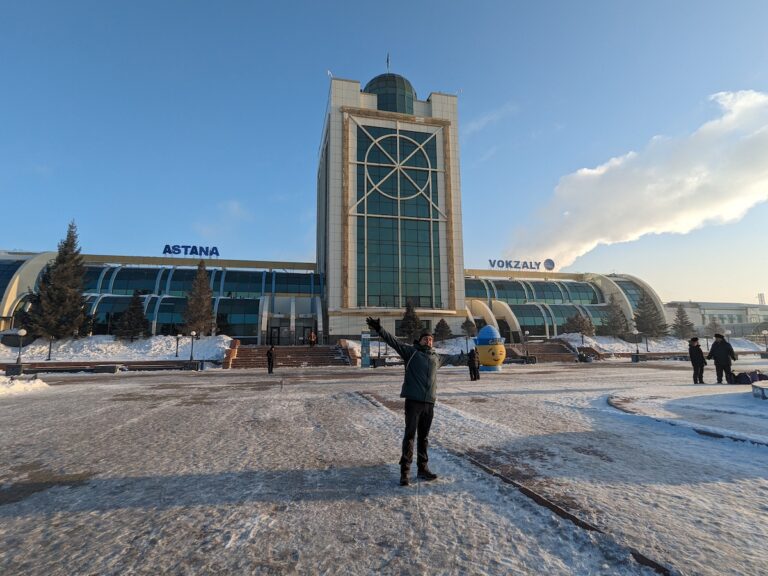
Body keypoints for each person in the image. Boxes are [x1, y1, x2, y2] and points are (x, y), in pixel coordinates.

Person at [366, 317, 464, 486]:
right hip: (413, 402)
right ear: (419, 341)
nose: (429, 340)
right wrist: (379, 329)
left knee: (424, 438)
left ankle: (422, 469)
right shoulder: (411, 352)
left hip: (429, 403)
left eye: (431, 338)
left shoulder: (436, 357)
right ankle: (405, 472)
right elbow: (394, 342)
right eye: (426, 338)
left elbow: (454, 359)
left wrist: (468, 357)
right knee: (410, 436)